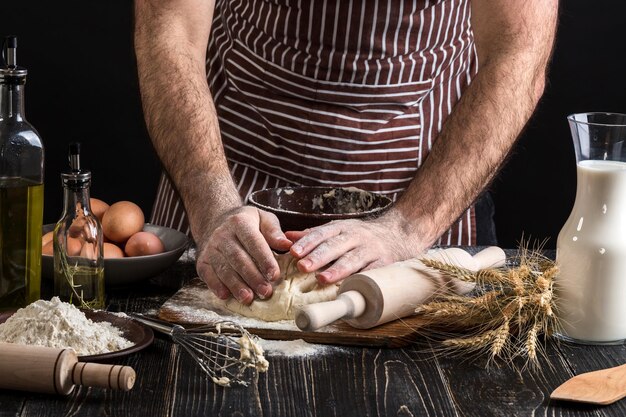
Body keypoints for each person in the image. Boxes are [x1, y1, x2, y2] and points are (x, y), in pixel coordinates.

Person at [134, 0, 558, 305]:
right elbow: (169, 30)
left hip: (420, 187)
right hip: (232, 164)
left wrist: (406, 229)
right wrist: (214, 209)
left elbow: (517, 53)